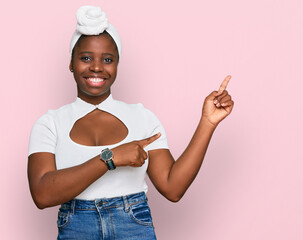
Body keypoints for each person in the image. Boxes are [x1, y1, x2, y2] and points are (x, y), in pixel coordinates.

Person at [27, 5, 234, 240]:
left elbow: (172, 188)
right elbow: (42, 194)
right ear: (71, 63)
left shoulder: (142, 117)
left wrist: (207, 123)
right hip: (77, 228)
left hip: (133, 226)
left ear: (116, 65)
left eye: (107, 59)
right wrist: (110, 158)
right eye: (85, 58)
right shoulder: (50, 123)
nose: (96, 67)